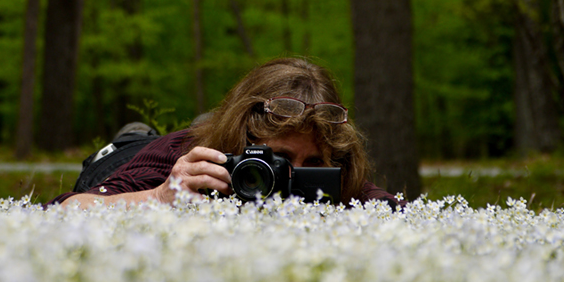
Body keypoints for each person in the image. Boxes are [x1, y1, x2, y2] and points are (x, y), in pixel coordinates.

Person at [48, 57, 404, 209]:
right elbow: (63, 209)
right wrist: (158, 197)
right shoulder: (190, 157)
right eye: (277, 161)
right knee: (131, 143)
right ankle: (135, 134)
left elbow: (399, 212)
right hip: (125, 158)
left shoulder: (331, 177)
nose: (294, 176)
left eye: (310, 163)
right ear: (241, 146)